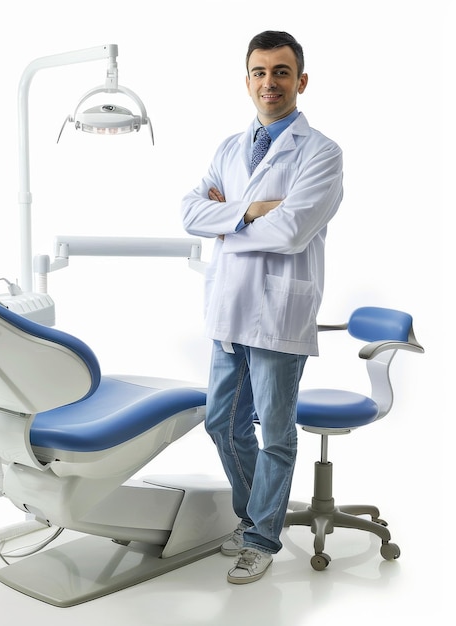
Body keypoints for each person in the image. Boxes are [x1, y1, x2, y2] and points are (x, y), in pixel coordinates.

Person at [181, 30, 343, 584]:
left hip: (278, 313)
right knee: (222, 425)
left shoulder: (321, 153)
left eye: (280, 72)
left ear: (300, 81)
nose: (268, 82)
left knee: (274, 432)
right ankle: (256, 516)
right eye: (259, 71)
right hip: (228, 308)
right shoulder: (229, 147)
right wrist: (255, 212)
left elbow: (294, 229)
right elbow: (188, 212)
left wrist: (229, 218)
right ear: (247, 79)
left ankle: (261, 537)